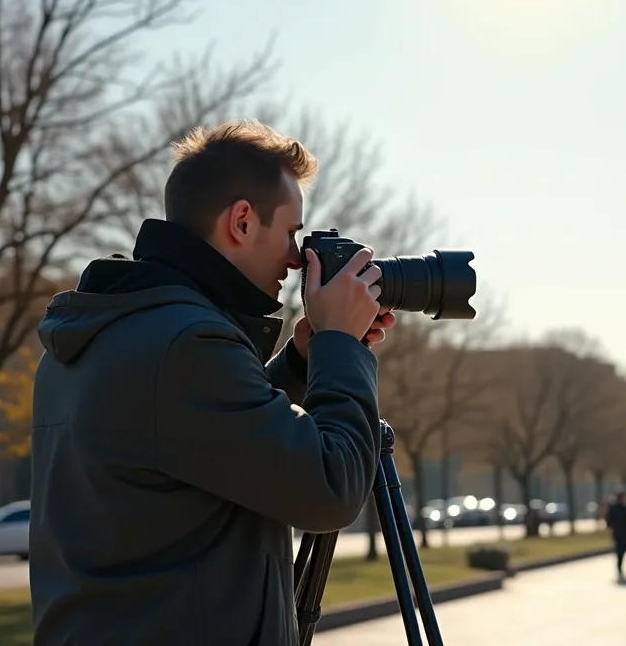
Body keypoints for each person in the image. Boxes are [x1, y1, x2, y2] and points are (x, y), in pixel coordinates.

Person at [28, 121, 398, 645]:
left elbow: (206, 441)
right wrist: (340, 343)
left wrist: (298, 362)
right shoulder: (186, 345)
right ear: (242, 221)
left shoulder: (105, 331)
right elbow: (329, 490)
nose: (296, 259)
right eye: (291, 232)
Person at [605, 490, 626, 581]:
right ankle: (619, 569)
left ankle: (620, 568)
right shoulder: (613, 509)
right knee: (619, 552)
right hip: (617, 532)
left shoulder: (625, 508)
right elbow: (609, 522)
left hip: (624, 532)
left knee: (622, 551)